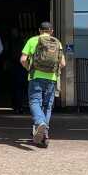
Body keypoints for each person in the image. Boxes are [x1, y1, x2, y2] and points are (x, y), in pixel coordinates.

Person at [20, 21, 65, 149]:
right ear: (51, 31)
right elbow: (62, 63)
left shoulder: (32, 40)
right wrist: (55, 72)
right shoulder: (57, 42)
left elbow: (23, 59)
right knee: (47, 105)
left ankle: (40, 123)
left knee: (35, 102)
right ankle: (44, 135)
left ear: (40, 30)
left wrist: (29, 68)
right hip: (52, 78)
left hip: (35, 76)